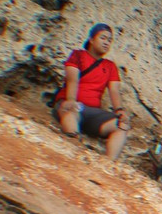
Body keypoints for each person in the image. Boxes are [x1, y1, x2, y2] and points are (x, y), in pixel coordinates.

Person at [53, 23, 131, 160]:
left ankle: (108, 164)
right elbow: (72, 79)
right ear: (91, 39)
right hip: (74, 106)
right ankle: (73, 146)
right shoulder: (78, 55)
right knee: (72, 111)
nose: (106, 43)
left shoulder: (110, 66)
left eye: (109, 40)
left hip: (93, 114)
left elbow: (114, 90)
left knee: (122, 125)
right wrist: (71, 100)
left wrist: (119, 109)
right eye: (103, 38)